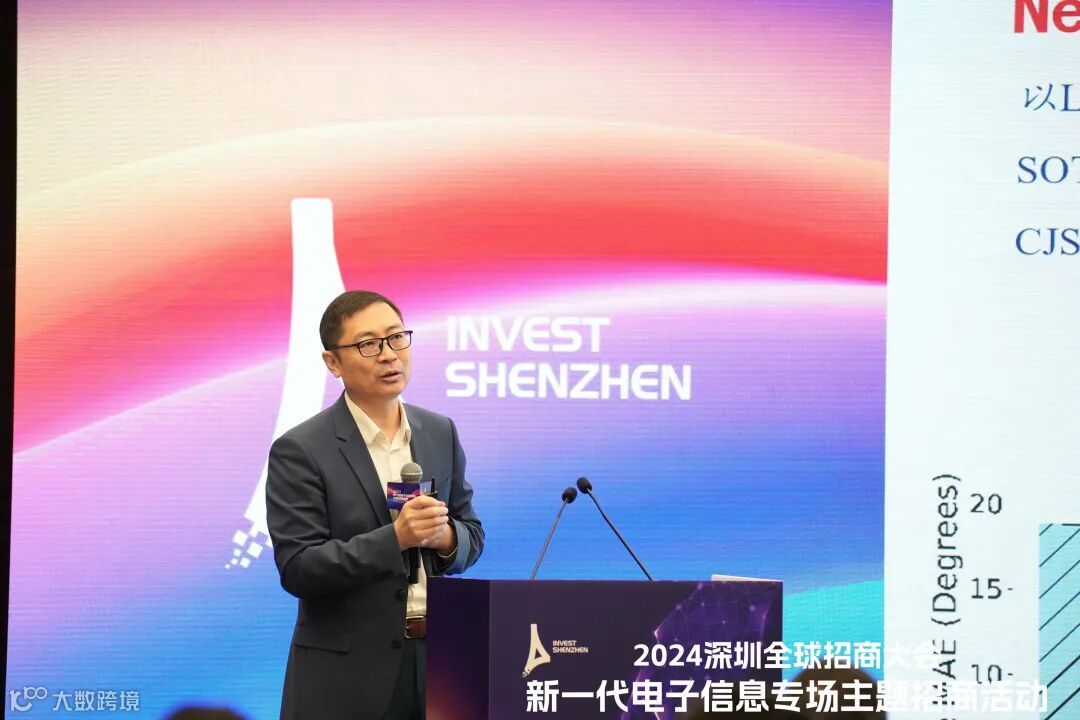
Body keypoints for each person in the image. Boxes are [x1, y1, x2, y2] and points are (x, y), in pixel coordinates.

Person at [266, 290, 484, 720]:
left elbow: (471, 535)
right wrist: (396, 538)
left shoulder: (440, 431)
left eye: (396, 337)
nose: (388, 355)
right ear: (333, 362)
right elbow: (299, 567)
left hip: (439, 664)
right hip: (346, 677)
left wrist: (443, 536)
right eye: (368, 344)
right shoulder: (302, 449)